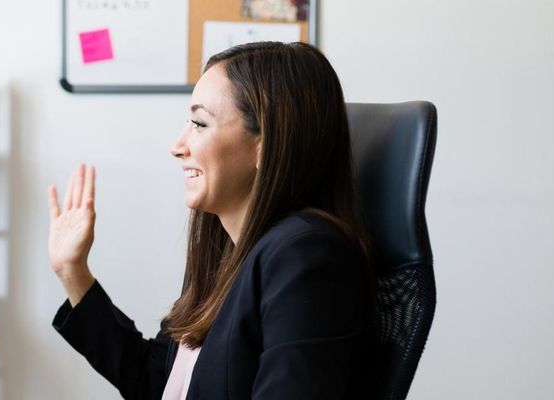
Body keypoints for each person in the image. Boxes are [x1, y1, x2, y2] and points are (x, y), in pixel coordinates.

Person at [47, 42, 373, 399]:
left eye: (200, 123)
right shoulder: (227, 251)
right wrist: (73, 272)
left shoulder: (306, 258)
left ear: (266, 144)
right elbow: (157, 381)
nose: (178, 145)